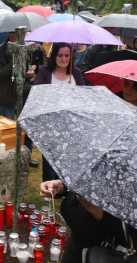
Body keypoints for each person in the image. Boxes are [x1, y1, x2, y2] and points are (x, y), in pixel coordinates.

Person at [39, 180, 137, 263]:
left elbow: (134, 228)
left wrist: (97, 212)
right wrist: (62, 186)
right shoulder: (101, 157)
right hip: (77, 242)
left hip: (106, 253)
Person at [34, 43, 85, 181]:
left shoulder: (76, 73)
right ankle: (49, 186)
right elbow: (37, 94)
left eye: (67, 55)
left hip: (71, 122)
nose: (64, 59)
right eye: (60, 55)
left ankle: (64, 186)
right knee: (51, 155)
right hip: (51, 122)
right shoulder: (45, 71)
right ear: (54, 56)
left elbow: (83, 96)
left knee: (68, 155)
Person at [0, 31, 39, 167]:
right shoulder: (1, 50)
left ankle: (26, 157)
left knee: (26, 125)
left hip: (23, 91)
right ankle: (10, 160)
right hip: (7, 94)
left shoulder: (25, 47)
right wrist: (13, 63)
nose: (22, 37)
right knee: (9, 128)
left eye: (23, 34)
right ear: (10, 34)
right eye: (18, 34)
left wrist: (30, 72)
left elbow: (28, 65)